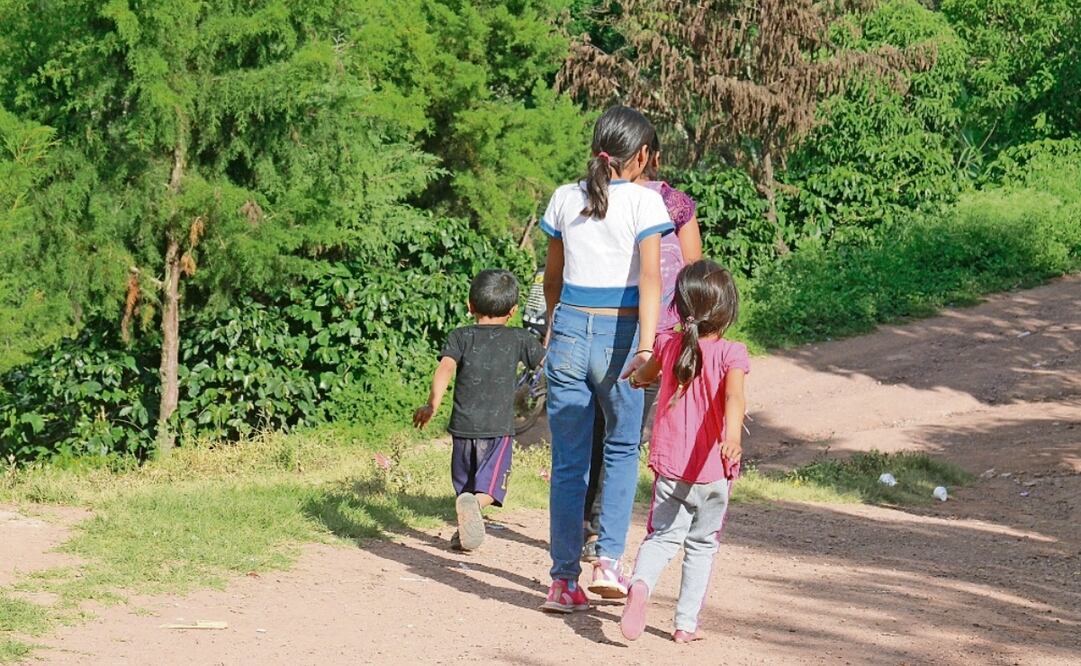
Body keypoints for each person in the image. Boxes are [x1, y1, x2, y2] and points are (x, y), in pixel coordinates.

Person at [539, 106, 673, 613]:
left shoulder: (563, 198)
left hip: (571, 329)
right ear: (641, 155)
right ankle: (609, 563)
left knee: (569, 463)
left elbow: (552, 277)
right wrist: (646, 347)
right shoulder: (644, 202)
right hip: (621, 333)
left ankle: (561, 582)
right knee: (619, 450)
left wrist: (555, 324)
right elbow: (653, 282)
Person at [581, 133, 703, 563]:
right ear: (650, 155)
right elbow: (693, 274)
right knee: (626, 436)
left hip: (597, 325)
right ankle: (604, 534)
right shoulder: (675, 204)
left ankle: (589, 524)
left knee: (596, 427)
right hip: (658, 338)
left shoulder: (592, 195)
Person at [618, 259, 749, 643]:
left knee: (662, 537)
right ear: (726, 311)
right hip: (714, 470)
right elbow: (735, 397)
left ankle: (640, 585)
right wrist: (733, 438)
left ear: (681, 304)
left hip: (671, 468)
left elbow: (645, 374)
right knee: (702, 544)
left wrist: (636, 379)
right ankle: (685, 625)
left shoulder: (667, 343)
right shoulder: (733, 354)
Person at [413, 269, 545, 552]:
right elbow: (549, 366)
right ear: (513, 311)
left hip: (462, 427)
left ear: (470, 305)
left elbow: (445, 368)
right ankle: (475, 506)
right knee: (489, 487)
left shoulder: (460, 336)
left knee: (466, 486)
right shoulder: (520, 339)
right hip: (497, 430)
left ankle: (464, 531)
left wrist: (432, 405)